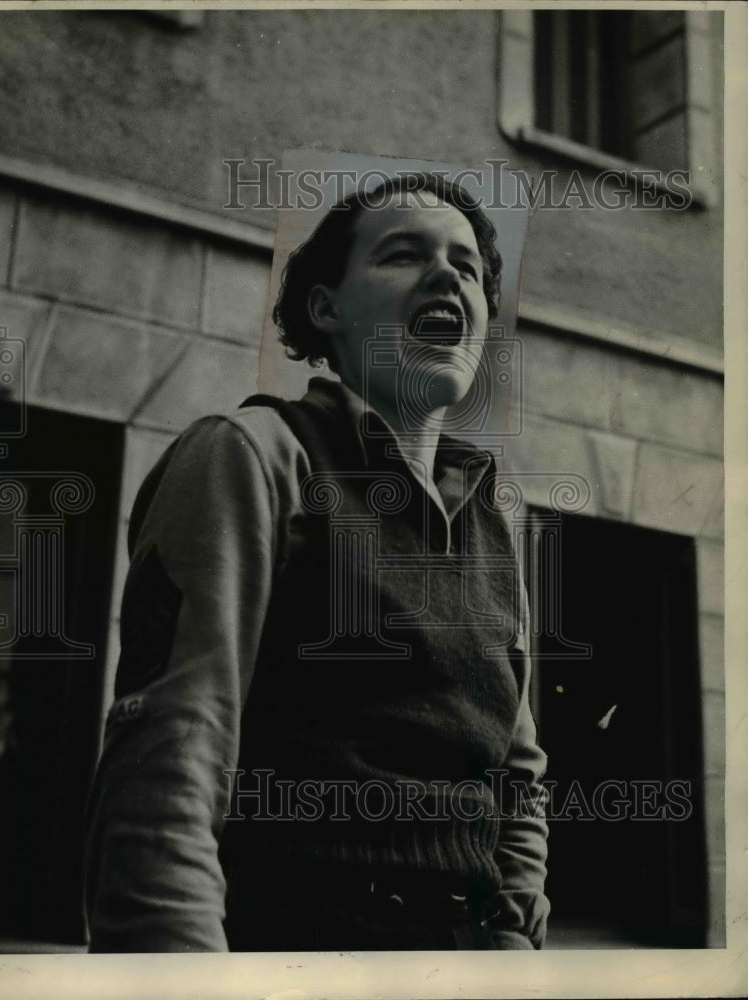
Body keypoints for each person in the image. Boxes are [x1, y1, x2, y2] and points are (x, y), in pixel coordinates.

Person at [84, 172, 549, 952]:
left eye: (467, 267)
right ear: (325, 309)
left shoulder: (491, 517)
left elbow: (516, 778)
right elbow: (172, 754)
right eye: (404, 255)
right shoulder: (253, 455)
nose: (447, 277)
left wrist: (510, 948)